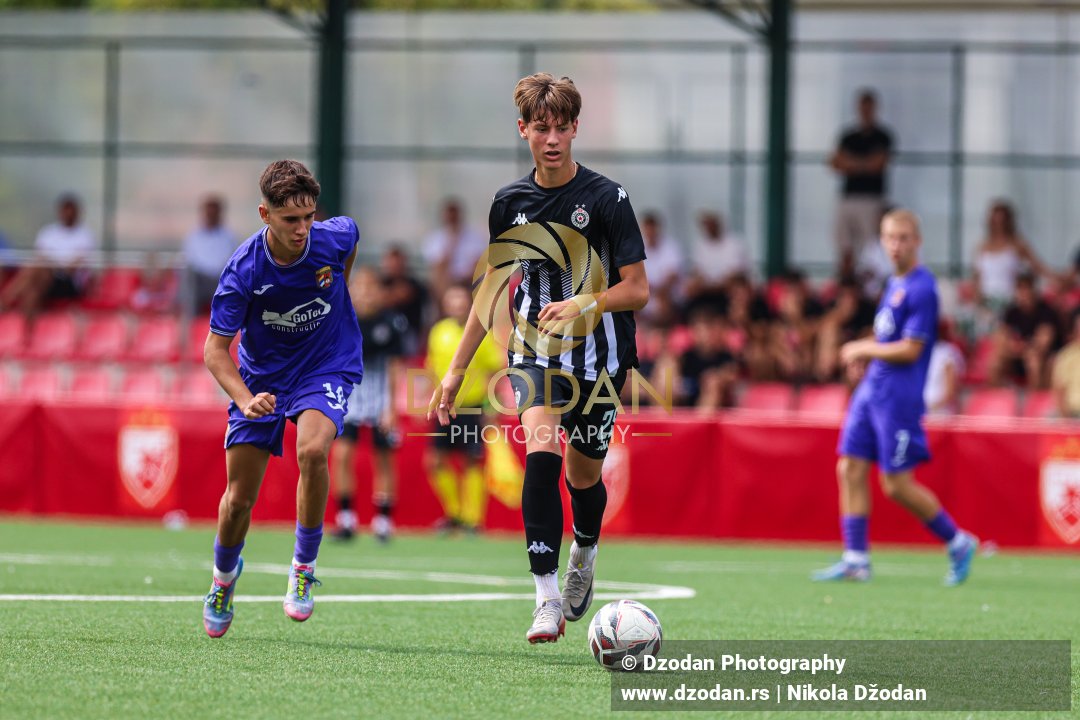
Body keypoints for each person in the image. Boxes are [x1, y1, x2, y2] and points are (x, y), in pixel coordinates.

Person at [428, 73, 649, 644]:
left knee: (583, 477)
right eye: (541, 128)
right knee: (542, 456)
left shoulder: (608, 198)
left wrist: (586, 302)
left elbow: (639, 289)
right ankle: (546, 598)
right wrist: (455, 371)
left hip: (601, 358)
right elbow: (490, 291)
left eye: (562, 128)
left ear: (576, 129)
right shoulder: (510, 203)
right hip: (533, 352)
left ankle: (585, 551)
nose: (552, 139)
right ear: (523, 129)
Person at [200, 160, 364, 638]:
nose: (302, 229)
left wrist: (339, 293)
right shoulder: (243, 270)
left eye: (309, 216)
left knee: (312, 450)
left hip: (325, 364)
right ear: (264, 214)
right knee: (238, 500)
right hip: (262, 381)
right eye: (291, 219)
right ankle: (223, 579)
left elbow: (350, 242)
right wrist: (245, 398)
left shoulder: (333, 238)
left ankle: (303, 568)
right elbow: (214, 351)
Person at [813, 209, 978, 586]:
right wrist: (866, 358)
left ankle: (958, 542)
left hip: (898, 400)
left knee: (896, 484)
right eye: (890, 238)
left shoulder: (922, 288)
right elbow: (889, 338)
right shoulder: (894, 283)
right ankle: (855, 559)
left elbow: (911, 349)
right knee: (849, 468)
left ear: (917, 241)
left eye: (904, 238)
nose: (896, 245)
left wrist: (861, 348)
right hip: (872, 391)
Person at [331, 267, 407, 542]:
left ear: (380, 292)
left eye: (370, 287)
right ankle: (346, 519)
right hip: (348, 399)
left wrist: (392, 408)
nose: (365, 293)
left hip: (380, 400)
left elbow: (395, 367)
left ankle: (383, 521)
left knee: (383, 459)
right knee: (341, 455)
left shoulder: (392, 322)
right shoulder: (340, 319)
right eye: (359, 287)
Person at [424, 282, 504, 534]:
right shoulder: (438, 331)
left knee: (473, 460)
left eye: (461, 300)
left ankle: (472, 519)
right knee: (436, 460)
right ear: (445, 304)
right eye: (452, 300)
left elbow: (494, 370)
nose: (457, 304)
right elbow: (431, 368)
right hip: (444, 405)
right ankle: (454, 513)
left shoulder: (480, 333)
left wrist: (491, 406)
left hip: (472, 406)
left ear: (469, 303)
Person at [0, 193, 95, 317]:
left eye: (71, 210)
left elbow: (71, 268)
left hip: (68, 282)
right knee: (32, 290)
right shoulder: (49, 232)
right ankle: (27, 324)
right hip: (46, 278)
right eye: (66, 209)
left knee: (36, 272)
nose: (68, 213)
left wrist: (52, 264)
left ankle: (6, 300)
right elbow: (40, 257)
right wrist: (54, 263)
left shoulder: (85, 235)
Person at [829, 89, 894, 270]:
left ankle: (868, 276)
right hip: (848, 197)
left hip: (871, 198)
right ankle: (846, 278)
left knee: (869, 244)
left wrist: (851, 164)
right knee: (844, 243)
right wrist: (864, 164)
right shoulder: (848, 136)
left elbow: (878, 164)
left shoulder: (882, 136)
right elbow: (835, 163)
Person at [972, 200, 1055, 315]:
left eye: (1002, 221)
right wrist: (977, 303)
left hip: (1010, 301)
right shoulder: (982, 247)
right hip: (987, 301)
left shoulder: (1018, 244)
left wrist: (1058, 278)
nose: (999, 225)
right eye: (996, 221)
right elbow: (977, 278)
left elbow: (1038, 268)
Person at [989, 273, 1062, 389]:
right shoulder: (1011, 312)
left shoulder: (1047, 312)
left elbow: (1043, 343)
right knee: (995, 363)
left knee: (1033, 362)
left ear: (1034, 290)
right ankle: (997, 398)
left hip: (1041, 357)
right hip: (1016, 355)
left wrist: (1022, 347)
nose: (1023, 293)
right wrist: (1012, 346)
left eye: (1026, 288)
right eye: (1020, 289)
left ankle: (1034, 397)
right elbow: (1001, 337)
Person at [423, 198, 488, 303]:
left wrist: (463, 279)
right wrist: (451, 243)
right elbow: (437, 266)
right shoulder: (435, 239)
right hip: (447, 282)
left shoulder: (475, 237)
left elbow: (478, 264)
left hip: (468, 280)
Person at [183, 195, 238, 316]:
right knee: (188, 276)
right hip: (200, 280)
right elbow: (191, 260)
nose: (211, 216)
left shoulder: (228, 236)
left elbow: (230, 262)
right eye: (209, 212)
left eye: (214, 213)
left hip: (220, 279)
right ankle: (189, 319)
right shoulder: (194, 236)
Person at [1051, 308, 1080, 419]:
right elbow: (1059, 392)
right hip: (1071, 414)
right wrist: (1066, 420)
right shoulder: (1066, 356)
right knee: (1048, 418)